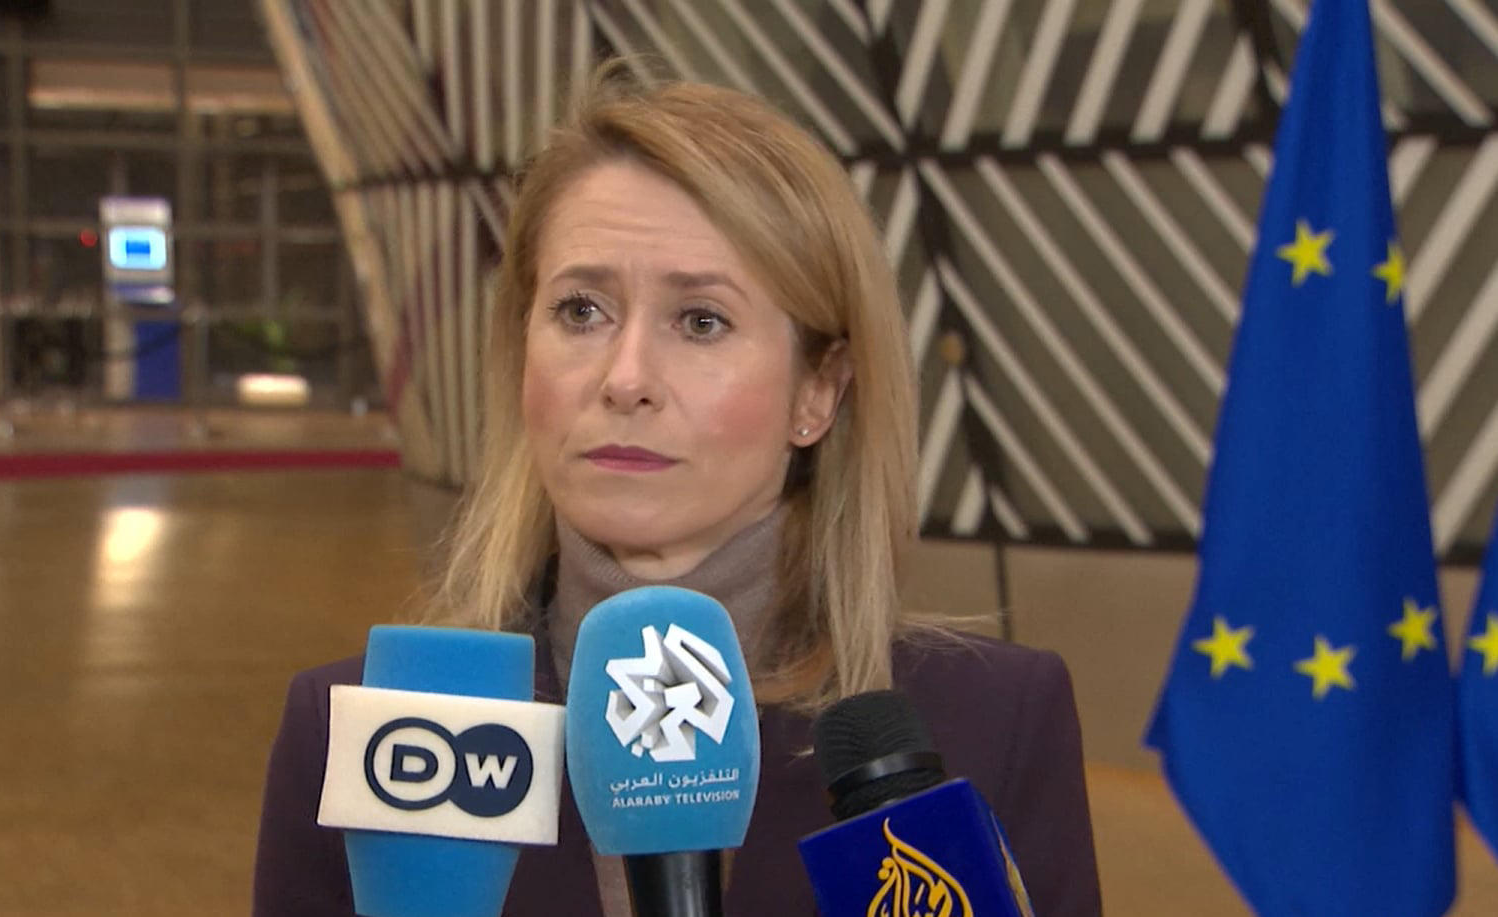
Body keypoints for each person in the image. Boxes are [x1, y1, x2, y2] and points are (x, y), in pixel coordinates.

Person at [253, 62, 1101, 916]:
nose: (625, 379)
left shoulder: (991, 724)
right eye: (581, 310)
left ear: (817, 390)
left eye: (701, 320)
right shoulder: (367, 739)